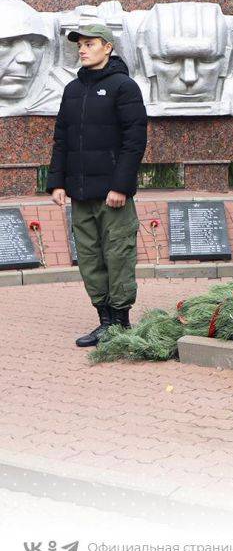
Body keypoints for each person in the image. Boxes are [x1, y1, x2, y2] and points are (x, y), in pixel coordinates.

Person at [46, 24, 148, 347]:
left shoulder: (124, 87)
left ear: (108, 48)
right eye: (80, 45)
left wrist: (121, 186)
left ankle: (121, 321)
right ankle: (104, 320)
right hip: (80, 194)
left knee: (118, 254)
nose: (83, 50)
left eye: (90, 44)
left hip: (112, 195)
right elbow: (61, 139)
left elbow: (135, 141)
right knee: (89, 258)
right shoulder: (72, 90)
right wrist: (57, 183)